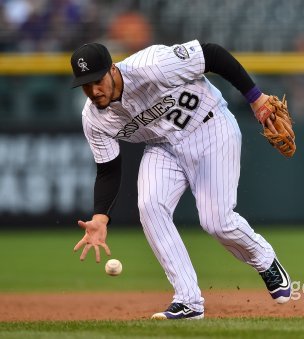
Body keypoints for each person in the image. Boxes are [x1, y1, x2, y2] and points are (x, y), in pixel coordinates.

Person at [70, 41, 292, 320]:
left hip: (210, 127)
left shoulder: (151, 65)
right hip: (162, 145)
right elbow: (108, 169)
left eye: (97, 80)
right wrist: (100, 218)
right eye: (85, 85)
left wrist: (256, 97)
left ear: (113, 69)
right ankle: (188, 301)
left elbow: (212, 55)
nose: (93, 90)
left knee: (217, 221)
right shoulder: (93, 119)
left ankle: (264, 258)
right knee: (150, 206)